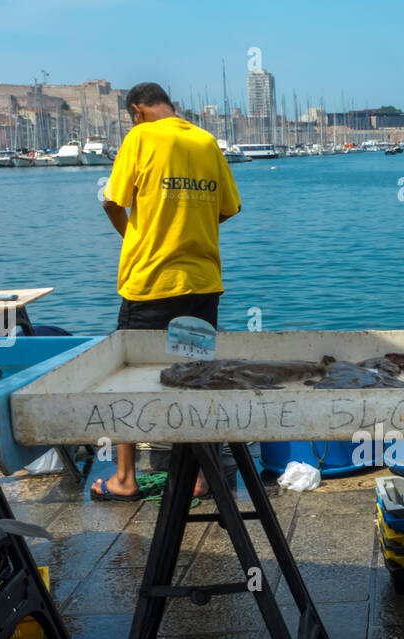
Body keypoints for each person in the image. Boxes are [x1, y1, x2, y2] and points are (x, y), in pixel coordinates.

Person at [91, 82, 241, 501]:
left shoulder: (139, 137)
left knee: (129, 379)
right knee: (193, 376)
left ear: (137, 110)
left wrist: (136, 238)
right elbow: (228, 208)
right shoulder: (207, 142)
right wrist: (185, 227)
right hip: (202, 282)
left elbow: (111, 201)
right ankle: (198, 477)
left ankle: (124, 479)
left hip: (151, 282)